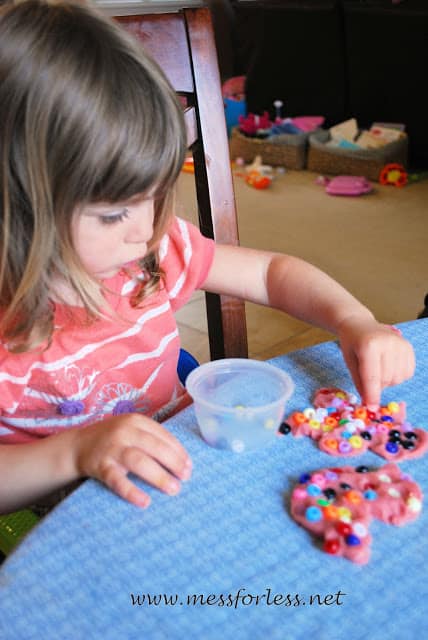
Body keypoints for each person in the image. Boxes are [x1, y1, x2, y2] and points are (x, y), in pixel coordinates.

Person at [0, 0, 414, 515]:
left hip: (186, 464)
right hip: (70, 517)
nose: (147, 228)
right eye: (113, 213)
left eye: (156, 194)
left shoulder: (151, 252)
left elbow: (270, 273)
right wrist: (77, 453)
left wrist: (353, 319)